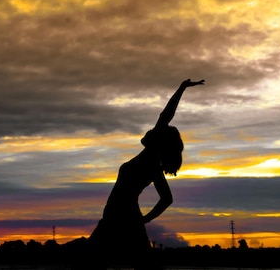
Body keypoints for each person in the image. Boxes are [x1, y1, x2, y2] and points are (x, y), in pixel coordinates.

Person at [87, 78, 205, 269]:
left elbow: (167, 198)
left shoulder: (151, 162)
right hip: (119, 215)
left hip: (121, 215)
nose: (151, 130)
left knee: (96, 262)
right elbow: (164, 116)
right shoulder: (148, 159)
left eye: (157, 131)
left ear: (159, 141)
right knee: (137, 264)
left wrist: (145, 218)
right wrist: (182, 88)